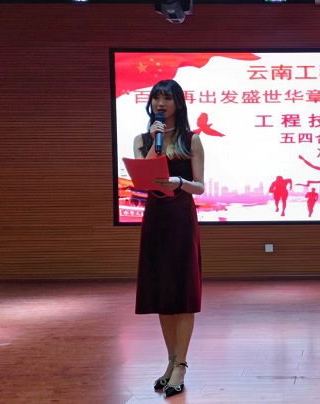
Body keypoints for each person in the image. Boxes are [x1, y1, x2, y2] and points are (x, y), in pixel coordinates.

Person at [132, 79, 206, 398]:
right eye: (156, 98)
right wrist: (154, 141)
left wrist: (179, 181)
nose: (160, 103)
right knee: (163, 291)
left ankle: (182, 365)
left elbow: (200, 186)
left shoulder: (192, 140)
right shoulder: (143, 139)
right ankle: (171, 360)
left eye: (167, 97)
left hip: (181, 218)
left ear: (179, 103)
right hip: (155, 219)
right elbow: (143, 179)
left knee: (182, 290)